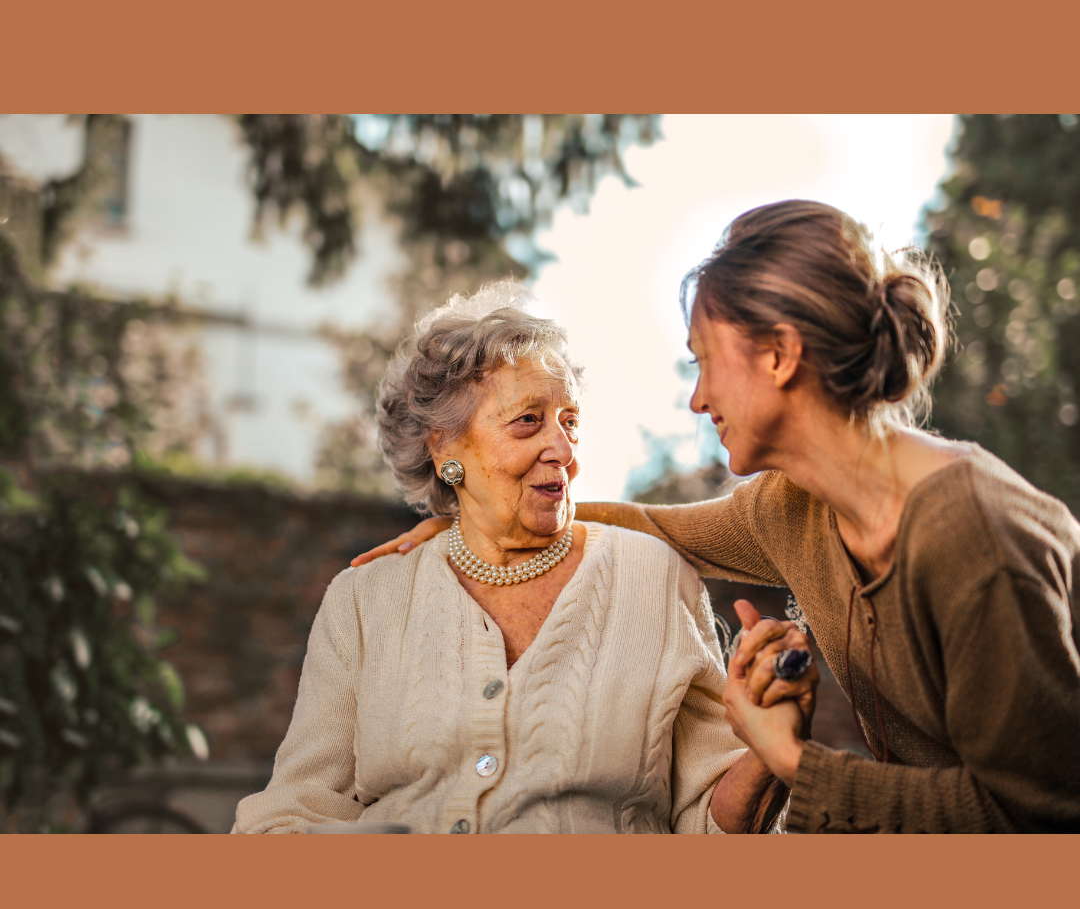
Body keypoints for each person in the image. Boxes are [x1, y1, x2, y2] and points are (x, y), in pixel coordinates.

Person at [355, 202, 1080, 834]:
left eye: (705, 360)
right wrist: (481, 522)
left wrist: (792, 759)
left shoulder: (973, 537)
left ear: (779, 355)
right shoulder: (794, 508)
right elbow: (658, 527)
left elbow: (1037, 814)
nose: (698, 399)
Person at [234, 281, 815, 835]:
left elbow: (708, 824)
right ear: (444, 448)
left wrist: (768, 753)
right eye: (528, 422)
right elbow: (293, 808)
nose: (562, 451)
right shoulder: (365, 600)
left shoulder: (655, 578)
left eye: (571, 423)